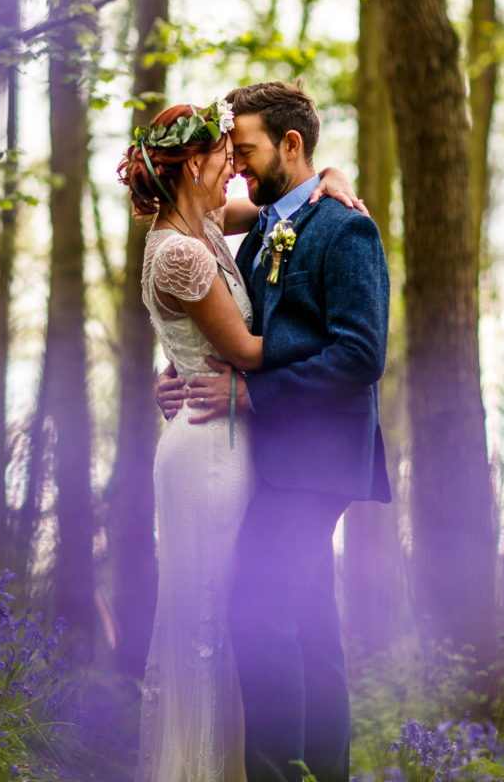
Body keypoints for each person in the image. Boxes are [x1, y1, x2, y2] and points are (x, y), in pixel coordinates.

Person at [117, 93, 369, 782]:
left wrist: (334, 179)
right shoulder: (181, 250)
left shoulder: (210, 220)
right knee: (212, 621)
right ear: (194, 162)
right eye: (225, 152)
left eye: (242, 148)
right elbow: (248, 349)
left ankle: (277, 766)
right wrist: (194, 371)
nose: (234, 163)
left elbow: (287, 208)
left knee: (263, 620)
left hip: (246, 439)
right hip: (210, 447)